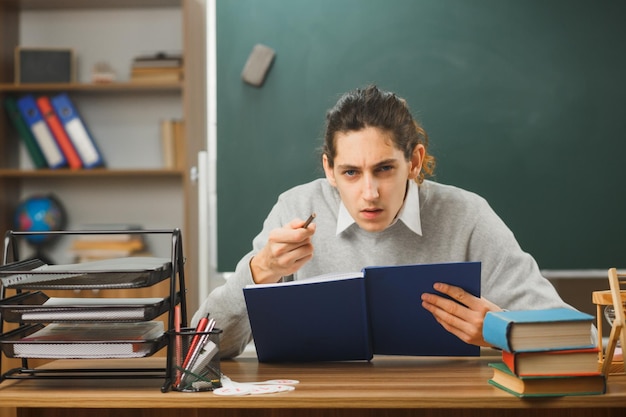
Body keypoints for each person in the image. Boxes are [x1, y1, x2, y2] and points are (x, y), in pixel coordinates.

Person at [193, 85, 573, 358]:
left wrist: (499, 330)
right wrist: (257, 272)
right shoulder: (296, 206)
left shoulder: (467, 216)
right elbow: (203, 348)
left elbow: (576, 335)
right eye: (351, 173)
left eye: (385, 169)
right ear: (329, 169)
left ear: (415, 161)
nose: (370, 192)